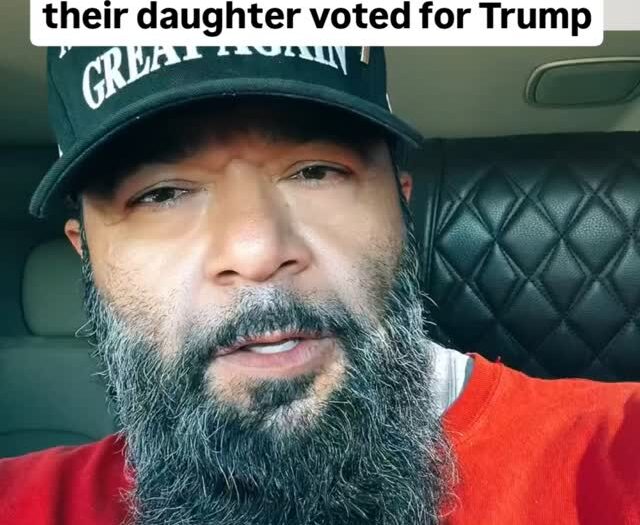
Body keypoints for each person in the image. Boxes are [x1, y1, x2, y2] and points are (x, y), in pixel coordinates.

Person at [1, 46, 639, 525]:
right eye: (161, 194)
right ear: (88, 257)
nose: (256, 252)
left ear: (402, 211)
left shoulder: (613, 455)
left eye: (315, 172)